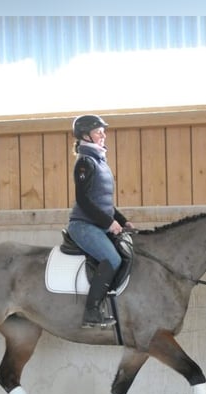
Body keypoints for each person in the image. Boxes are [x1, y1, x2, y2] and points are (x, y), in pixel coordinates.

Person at [67, 114, 134, 328]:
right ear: (85, 135)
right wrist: (108, 223)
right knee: (112, 259)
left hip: (98, 223)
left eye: (103, 131)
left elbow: (104, 202)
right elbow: (83, 200)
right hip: (84, 225)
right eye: (98, 131)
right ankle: (92, 312)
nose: (103, 135)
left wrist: (122, 221)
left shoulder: (99, 161)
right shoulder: (85, 162)